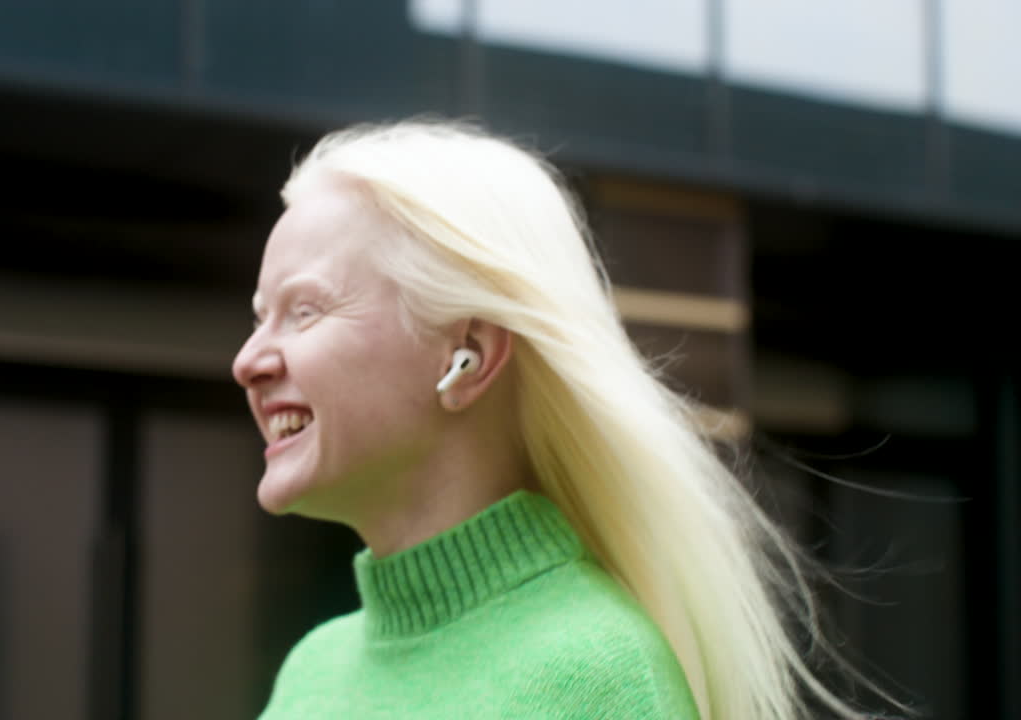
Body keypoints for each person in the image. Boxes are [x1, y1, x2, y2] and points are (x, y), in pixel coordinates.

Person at [232, 120, 889, 719]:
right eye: (261, 317)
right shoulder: (309, 671)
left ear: (470, 356)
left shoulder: (601, 679)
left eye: (305, 311)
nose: (247, 361)